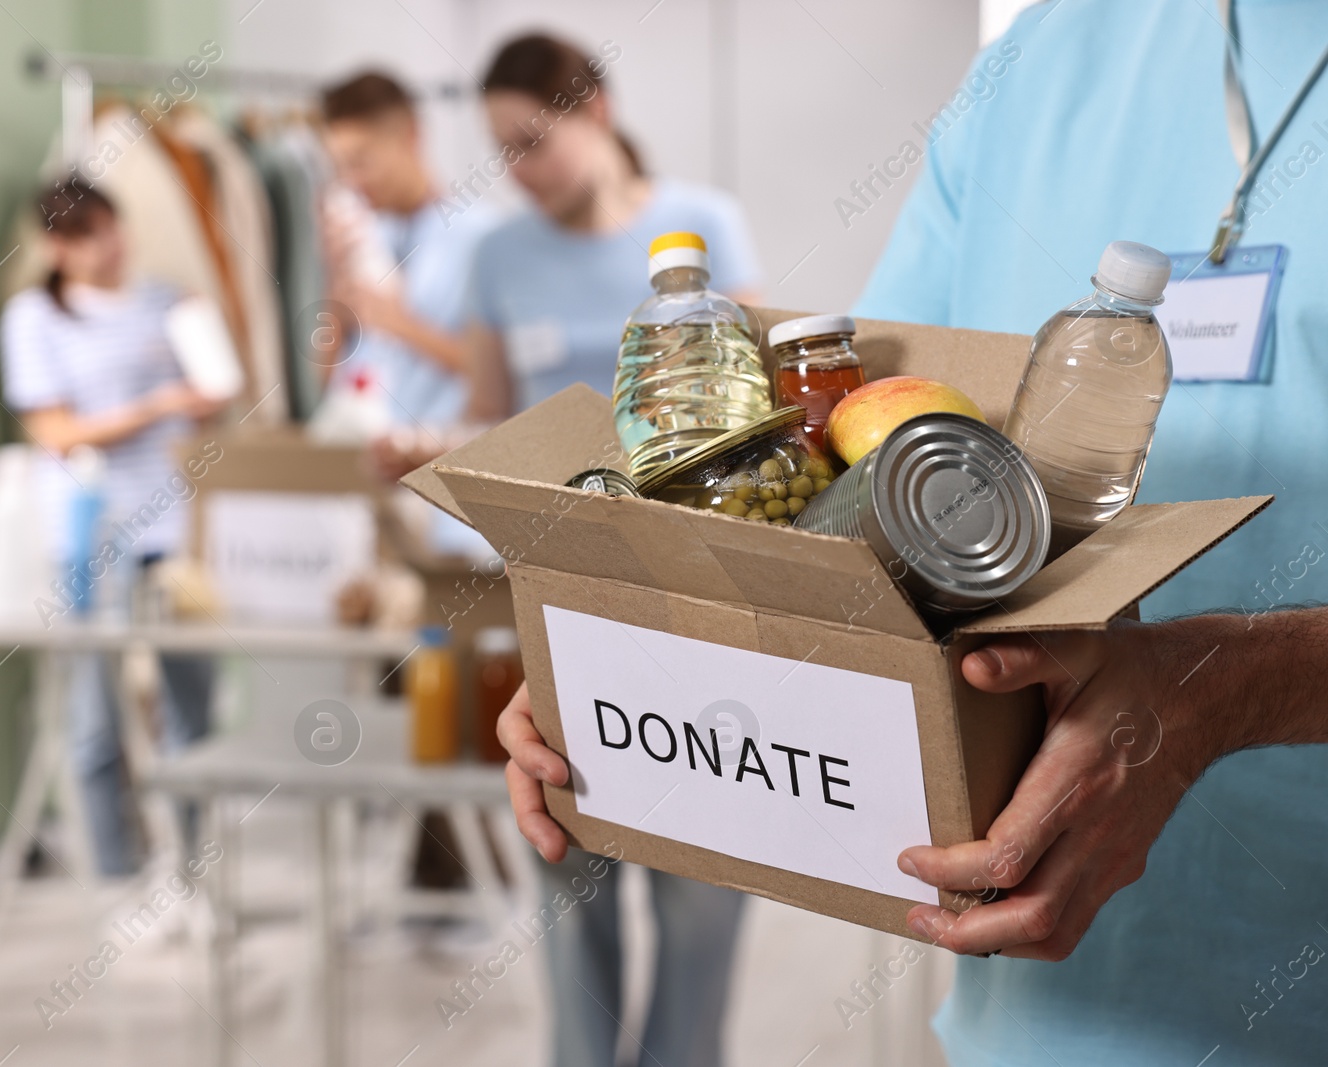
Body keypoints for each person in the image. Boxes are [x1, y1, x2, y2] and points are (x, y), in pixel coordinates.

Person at [503, 3, 1328, 1064]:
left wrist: (1224, 690)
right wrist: (634, 619)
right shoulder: (1040, 60)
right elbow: (843, 492)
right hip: (1024, 1017)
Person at [467, 33, 761, 1067]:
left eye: (532, 139)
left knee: (703, 894)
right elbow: (486, 435)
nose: (519, 169)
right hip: (557, 620)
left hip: (700, 619)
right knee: (568, 882)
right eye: (500, 150)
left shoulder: (704, 229)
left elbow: (753, 432)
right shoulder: (497, 257)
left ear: (595, 108)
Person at [0, 182, 225, 877]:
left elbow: (212, 406)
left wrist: (209, 374)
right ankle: (118, 878)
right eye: (88, 234)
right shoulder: (34, 317)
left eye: (112, 225)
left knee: (194, 708)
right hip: (91, 533)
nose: (108, 244)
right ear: (57, 247)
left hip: (176, 529)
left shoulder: (165, 302)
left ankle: (192, 871)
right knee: (96, 716)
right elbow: (55, 431)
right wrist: (157, 403)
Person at [318, 69, 499, 475]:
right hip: (366, 478)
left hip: (448, 478)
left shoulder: (481, 237)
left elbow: (498, 376)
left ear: (410, 137)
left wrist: (401, 324)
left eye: (361, 162)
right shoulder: (362, 237)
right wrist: (336, 305)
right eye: (340, 167)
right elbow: (326, 382)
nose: (352, 181)